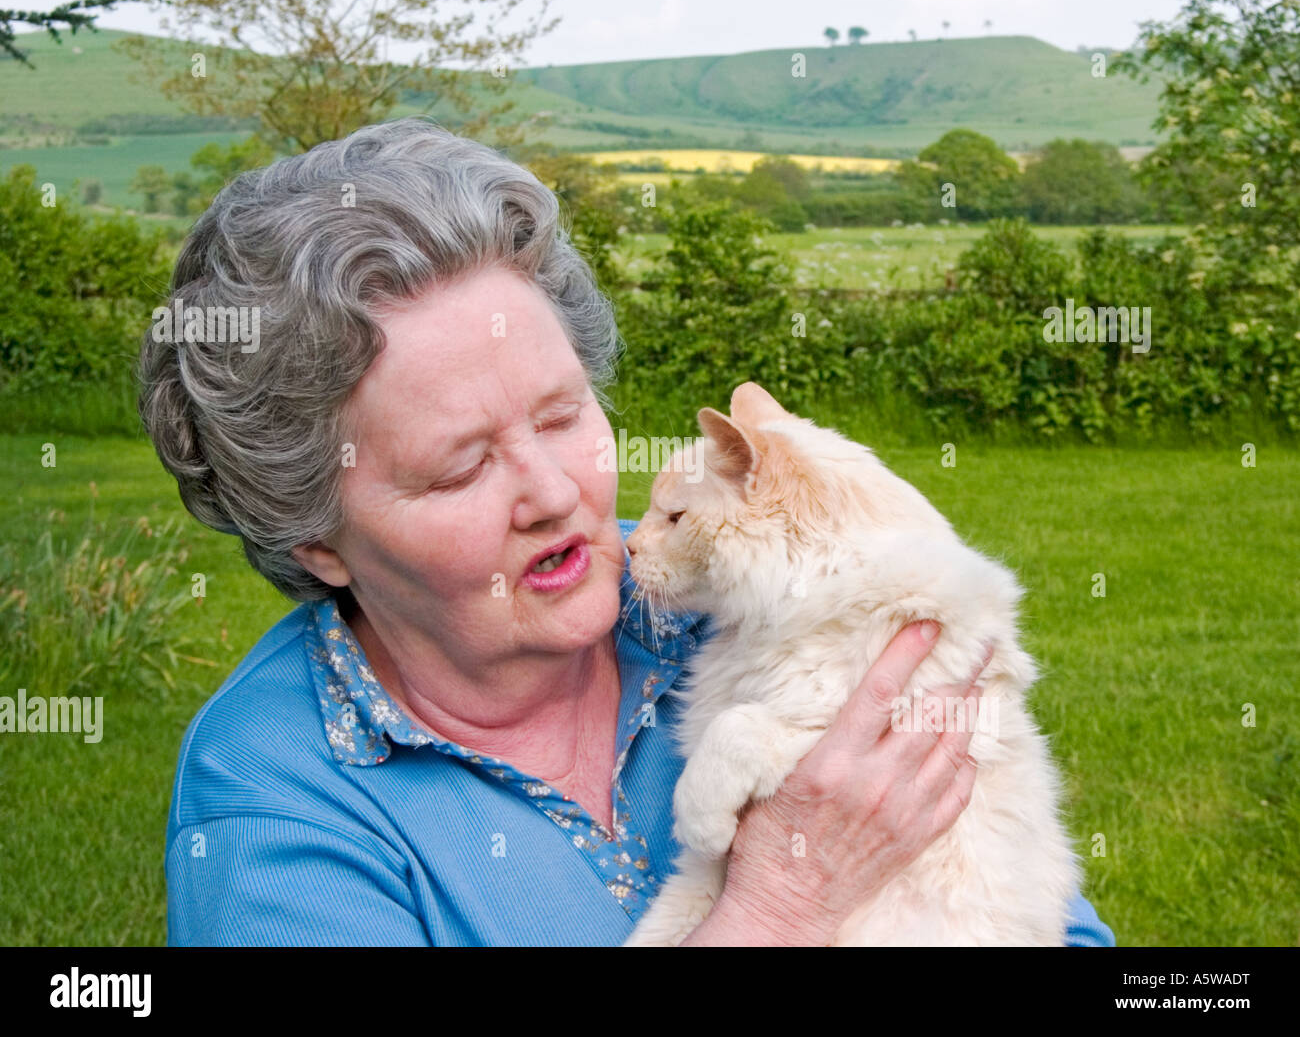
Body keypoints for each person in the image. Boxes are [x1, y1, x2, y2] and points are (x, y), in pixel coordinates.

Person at [141, 116, 1115, 947]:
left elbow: (1038, 910)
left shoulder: (729, 592)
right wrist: (775, 907)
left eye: (563, 414)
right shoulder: (275, 799)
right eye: (461, 466)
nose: (554, 491)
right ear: (313, 534)